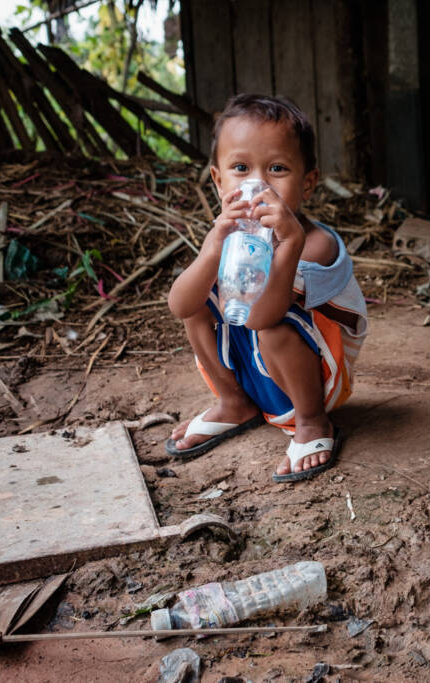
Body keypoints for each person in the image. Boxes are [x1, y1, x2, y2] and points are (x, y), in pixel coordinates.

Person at [165, 94, 368, 483]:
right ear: (218, 179)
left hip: (314, 381)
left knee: (272, 326)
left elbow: (261, 316)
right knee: (198, 300)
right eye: (240, 168)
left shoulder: (313, 245)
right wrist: (211, 248)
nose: (257, 185)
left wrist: (287, 243)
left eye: (277, 168)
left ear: (307, 182)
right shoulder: (230, 237)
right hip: (253, 374)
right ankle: (233, 402)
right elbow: (179, 305)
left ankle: (313, 424)